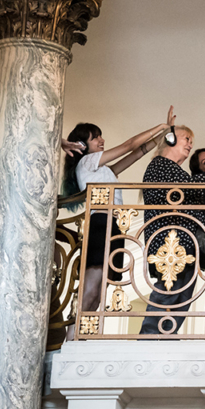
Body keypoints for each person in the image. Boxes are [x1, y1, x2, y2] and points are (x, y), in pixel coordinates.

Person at [63, 107, 178, 314]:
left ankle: (79, 335)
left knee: (100, 291)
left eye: (100, 136)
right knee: (92, 287)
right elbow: (128, 146)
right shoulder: (86, 162)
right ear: (81, 145)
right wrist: (160, 126)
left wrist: (163, 135)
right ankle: (72, 337)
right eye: (95, 138)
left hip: (112, 224)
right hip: (100, 223)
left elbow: (135, 154)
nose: (101, 140)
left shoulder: (101, 170)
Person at [139, 125, 205, 335]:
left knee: (180, 301)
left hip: (184, 245)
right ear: (169, 140)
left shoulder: (174, 169)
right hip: (170, 245)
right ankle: (148, 341)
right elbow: (191, 186)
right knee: (167, 294)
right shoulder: (160, 165)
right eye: (186, 139)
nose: (190, 144)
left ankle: (165, 339)